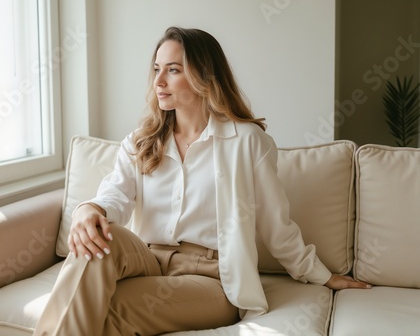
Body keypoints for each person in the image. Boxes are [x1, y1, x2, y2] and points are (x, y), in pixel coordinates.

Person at [33, 26, 370, 336]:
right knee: (96, 237)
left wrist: (324, 276)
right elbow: (115, 196)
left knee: (103, 312)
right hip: (145, 260)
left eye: (173, 70)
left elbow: (276, 227)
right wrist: (87, 209)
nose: (158, 81)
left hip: (210, 278)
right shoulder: (142, 140)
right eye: (156, 69)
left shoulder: (247, 142)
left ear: (204, 76)